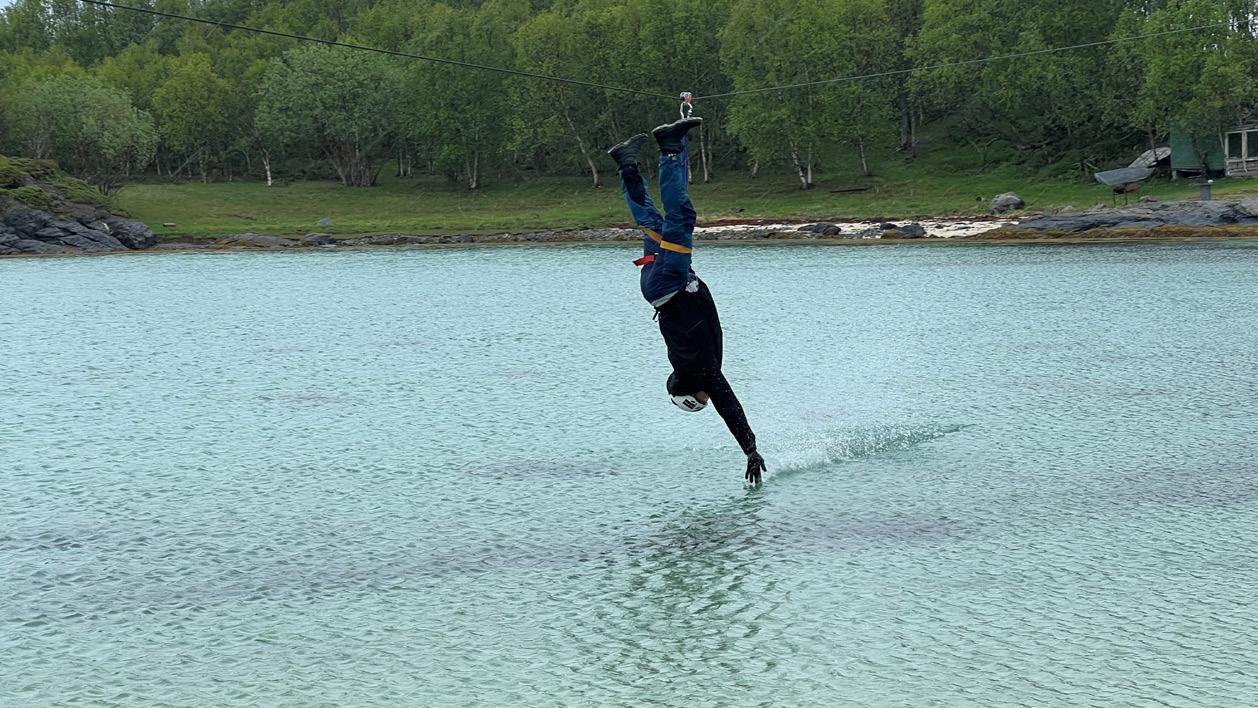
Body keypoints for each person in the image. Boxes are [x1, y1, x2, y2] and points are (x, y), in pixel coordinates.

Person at [607, 117, 767, 484]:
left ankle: (669, 147)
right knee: (652, 222)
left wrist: (750, 448)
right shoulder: (687, 367)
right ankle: (626, 162)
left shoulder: (699, 372)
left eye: (703, 400)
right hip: (657, 288)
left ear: (693, 394)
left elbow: (730, 408)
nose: (710, 399)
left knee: (681, 217)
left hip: (671, 282)